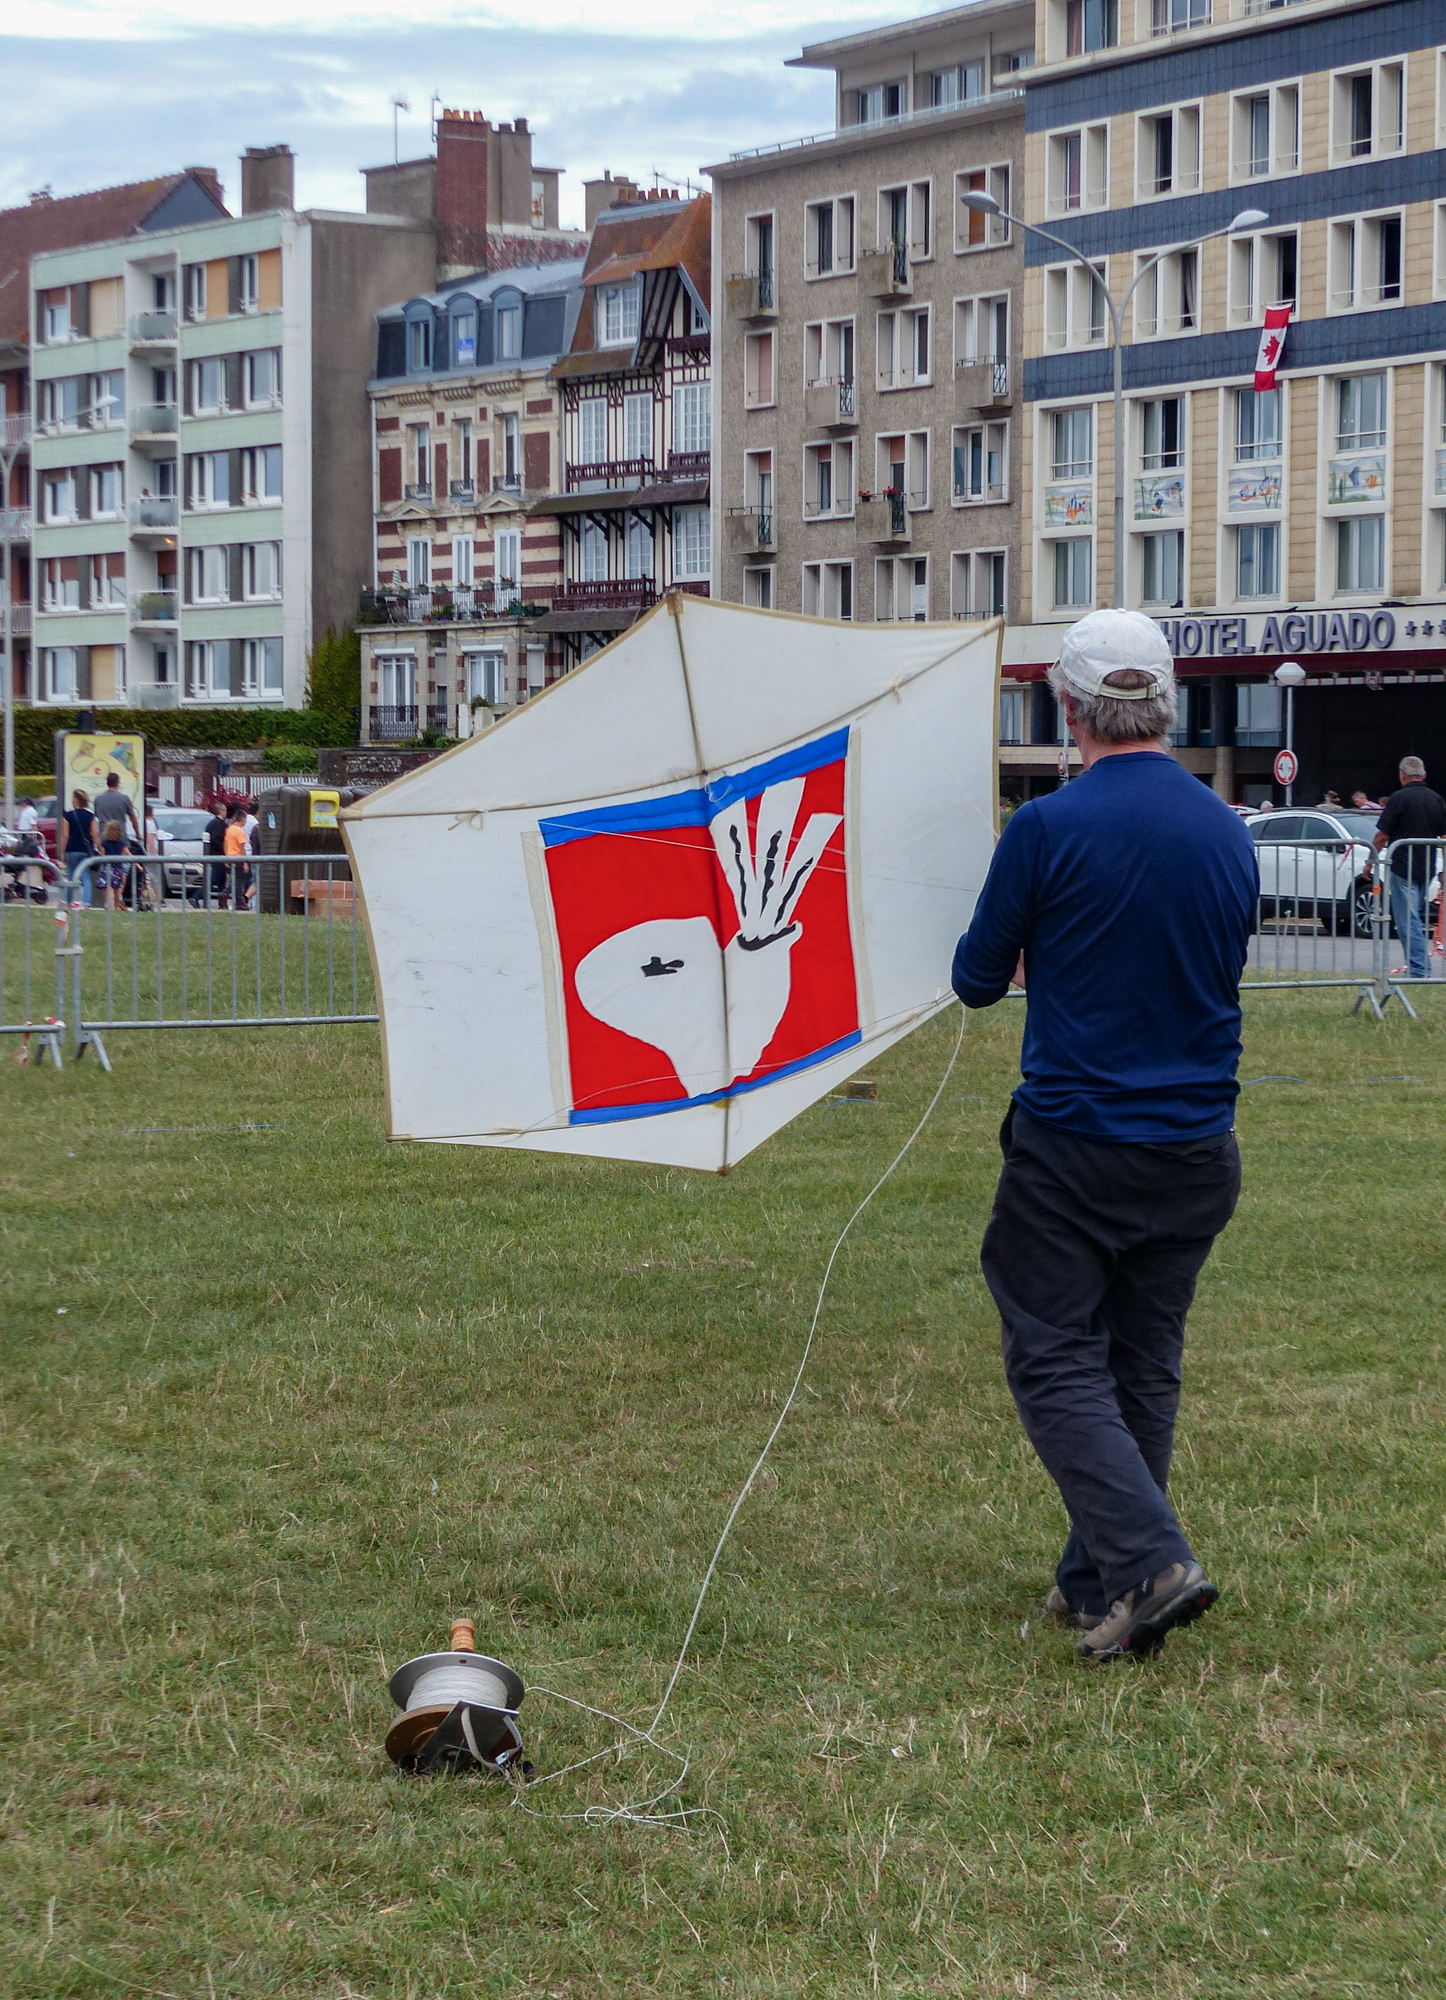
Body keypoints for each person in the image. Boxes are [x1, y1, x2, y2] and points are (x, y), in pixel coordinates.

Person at [952, 609, 1257, 1666]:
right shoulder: (1228, 829)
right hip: (1198, 1145)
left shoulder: (1046, 828)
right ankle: (1098, 1580)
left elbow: (976, 980)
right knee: (1142, 1364)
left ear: (1067, 709)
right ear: (1168, 703)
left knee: (1053, 1356)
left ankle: (1150, 1562)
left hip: (1077, 1141)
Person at [1373, 756, 1446, 980]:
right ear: (1423, 775)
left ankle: (1418, 969)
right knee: (1414, 917)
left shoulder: (1398, 799)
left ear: (1402, 774)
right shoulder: (1436, 800)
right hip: (1427, 867)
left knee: (1407, 920)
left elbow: (1382, 836)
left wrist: (1370, 860)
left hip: (1403, 866)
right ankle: (1417, 966)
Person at [93, 770, 139, 912]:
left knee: (105, 871)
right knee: (122, 870)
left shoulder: (98, 800)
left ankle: (109, 902)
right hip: (121, 839)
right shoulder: (124, 799)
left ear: (107, 783)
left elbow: (96, 818)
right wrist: (138, 834)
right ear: (117, 783)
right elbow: (133, 818)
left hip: (104, 840)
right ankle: (118, 898)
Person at [61, 788, 98, 907]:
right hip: (85, 850)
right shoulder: (90, 816)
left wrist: (62, 852)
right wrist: (100, 849)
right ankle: (86, 902)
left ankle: (69, 902)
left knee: (70, 876)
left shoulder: (68, 816)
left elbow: (65, 835)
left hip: (71, 849)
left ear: (76, 800)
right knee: (86, 876)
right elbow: (94, 835)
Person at [223, 801, 251, 908]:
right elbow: (242, 847)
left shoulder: (230, 829)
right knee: (239, 881)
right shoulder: (239, 831)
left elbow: (225, 844)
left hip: (230, 857)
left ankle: (225, 893)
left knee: (234, 880)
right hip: (238, 858)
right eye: (245, 819)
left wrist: (226, 857)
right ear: (243, 818)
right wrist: (245, 862)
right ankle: (238, 901)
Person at [203, 799, 229, 906]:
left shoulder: (212, 823)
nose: (226, 813)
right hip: (218, 855)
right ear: (221, 812)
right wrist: (224, 850)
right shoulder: (219, 824)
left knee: (221, 879)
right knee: (213, 880)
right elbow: (216, 839)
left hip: (215, 854)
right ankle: (196, 896)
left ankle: (222, 902)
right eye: (225, 811)